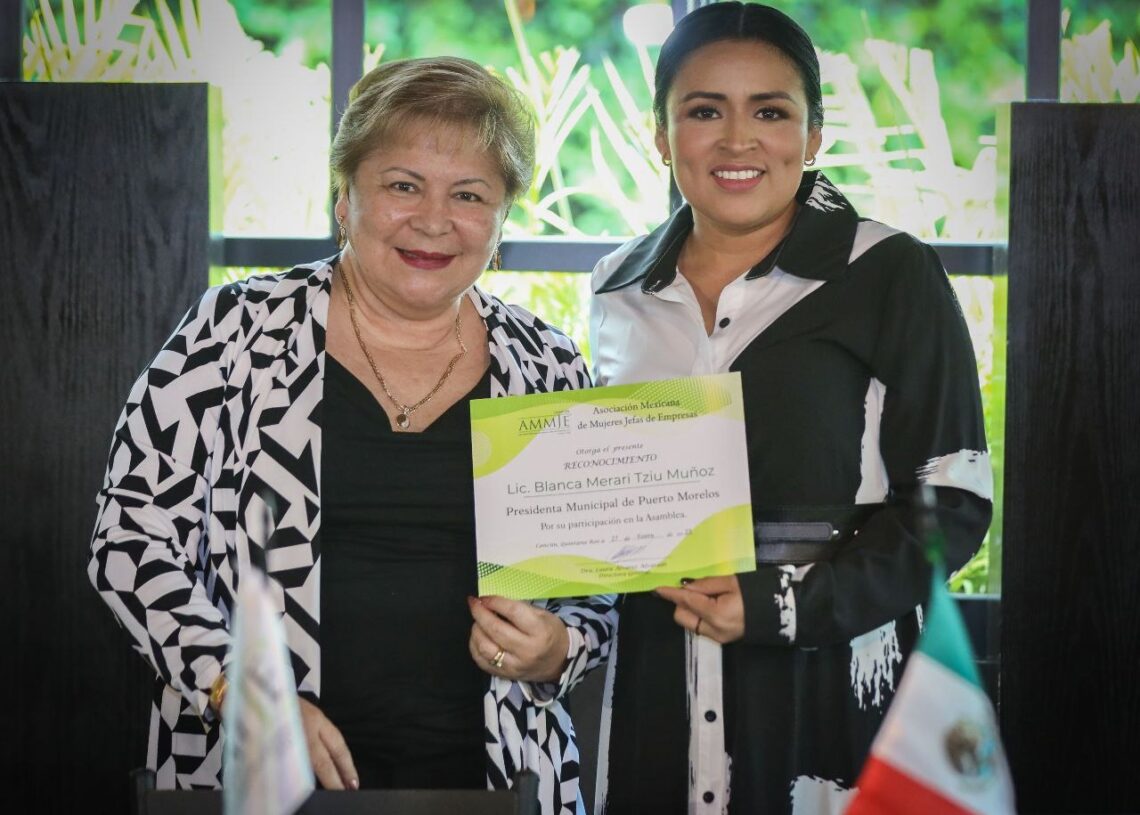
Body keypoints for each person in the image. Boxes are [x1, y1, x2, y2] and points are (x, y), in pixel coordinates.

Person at [88, 56, 615, 814]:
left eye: (469, 195)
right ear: (345, 197)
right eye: (403, 186)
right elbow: (129, 540)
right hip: (257, 777)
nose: (433, 220)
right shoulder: (236, 331)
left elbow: (595, 587)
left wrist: (560, 647)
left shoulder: (548, 364)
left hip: (496, 780)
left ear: (501, 221)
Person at [588, 4, 991, 814]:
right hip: (656, 688)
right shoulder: (616, 286)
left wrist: (787, 606)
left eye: (770, 112)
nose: (738, 140)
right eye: (705, 111)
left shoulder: (890, 272)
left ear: (813, 138)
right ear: (661, 136)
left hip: (834, 692)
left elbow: (953, 505)